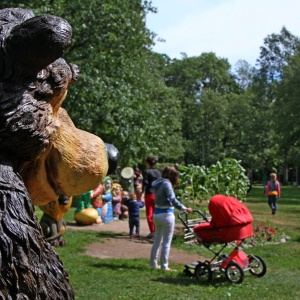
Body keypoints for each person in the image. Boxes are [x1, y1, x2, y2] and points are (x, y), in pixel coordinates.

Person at [150, 166, 193, 271]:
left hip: (156, 214)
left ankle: (153, 264)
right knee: (166, 242)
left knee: (157, 241)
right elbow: (172, 199)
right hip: (166, 215)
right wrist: (184, 208)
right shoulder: (167, 184)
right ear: (171, 175)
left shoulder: (157, 183)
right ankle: (164, 266)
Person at [142, 156, 161, 238]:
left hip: (149, 194)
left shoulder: (146, 171)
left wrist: (142, 192)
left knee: (149, 214)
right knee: (157, 213)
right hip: (157, 194)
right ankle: (158, 231)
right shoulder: (159, 172)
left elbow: (145, 183)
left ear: (147, 163)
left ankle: (152, 231)